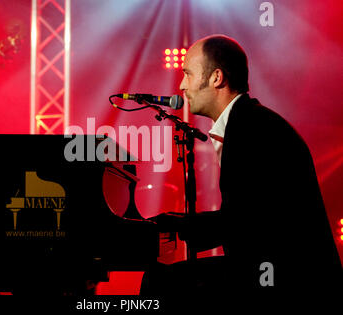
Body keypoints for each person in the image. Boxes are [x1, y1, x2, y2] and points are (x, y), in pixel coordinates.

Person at [142, 35, 341, 293]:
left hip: (290, 277)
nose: (181, 85)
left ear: (216, 77)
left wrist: (182, 224)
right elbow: (249, 215)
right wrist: (182, 222)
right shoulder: (248, 121)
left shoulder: (253, 129)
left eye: (188, 74)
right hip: (274, 267)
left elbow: (247, 222)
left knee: (161, 283)